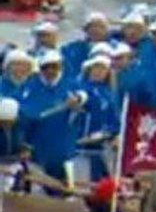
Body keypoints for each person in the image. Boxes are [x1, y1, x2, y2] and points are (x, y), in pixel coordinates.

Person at [19, 50, 88, 185]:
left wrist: (78, 99)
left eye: (54, 67)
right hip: (37, 145)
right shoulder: (30, 86)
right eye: (46, 67)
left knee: (64, 185)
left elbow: (84, 95)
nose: (50, 71)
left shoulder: (70, 84)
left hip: (62, 145)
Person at [75, 55, 120, 182]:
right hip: (81, 144)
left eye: (103, 69)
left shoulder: (109, 93)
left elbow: (115, 121)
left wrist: (108, 132)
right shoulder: (82, 87)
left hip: (101, 144)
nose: (99, 72)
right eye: (96, 68)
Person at [61, 12, 111, 77]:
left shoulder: (114, 49)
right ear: (86, 29)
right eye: (92, 26)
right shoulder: (73, 48)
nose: (96, 29)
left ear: (106, 30)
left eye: (101, 27)